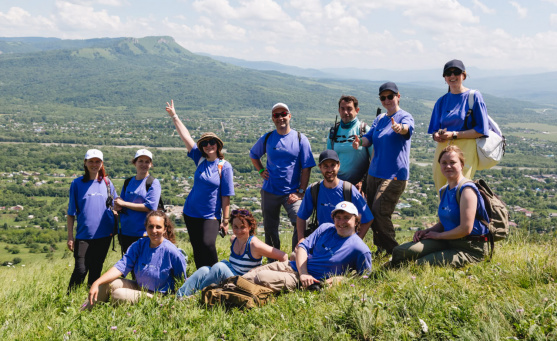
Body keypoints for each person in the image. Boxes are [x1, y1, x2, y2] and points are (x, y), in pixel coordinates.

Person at [390, 145, 490, 267]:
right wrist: (426, 232)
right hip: (448, 240)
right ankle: (381, 273)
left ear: (462, 165)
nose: (448, 166)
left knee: (420, 265)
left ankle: (394, 273)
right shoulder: (444, 190)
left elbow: (465, 229)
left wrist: (438, 236)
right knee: (401, 251)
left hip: (469, 247)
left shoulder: (467, 190)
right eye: (444, 163)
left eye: (452, 162)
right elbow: (444, 224)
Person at [243, 201, 372, 292]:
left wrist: (342, 279)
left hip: (304, 280)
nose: (341, 222)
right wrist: (303, 272)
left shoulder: (360, 249)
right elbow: (302, 247)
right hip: (294, 266)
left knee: (260, 277)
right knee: (249, 274)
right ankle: (225, 289)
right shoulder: (326, 228)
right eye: (338, 217)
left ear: (356, 220)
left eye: (346, 218)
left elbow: (364, 278)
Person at [165, 100, 234, 269]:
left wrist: (225, 220)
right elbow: (185, 136)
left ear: (218, 145)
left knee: (208, 245)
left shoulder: (224, 166)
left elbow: (226, 196)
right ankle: (202, 279)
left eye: (211, 142)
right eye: (204, 143)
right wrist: (174, 116)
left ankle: (216, 277)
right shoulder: (200, 159)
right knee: (197, 248)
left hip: (210, 215)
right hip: (191, 212)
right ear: (201, 147)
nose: (208, 145)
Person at [352, 82, 414, 255]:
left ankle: (396, 252)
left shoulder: (405, 116)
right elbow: (369, 139)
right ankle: (381, 249)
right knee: (371, 213)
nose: (387, 100)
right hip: (374, 173)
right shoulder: (380, 119)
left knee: (380, 211)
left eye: (390, 96)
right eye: (383, 97)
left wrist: (399, 128)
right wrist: (359, 143)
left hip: (394, 175)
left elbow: (407, 129)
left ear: (398, 96)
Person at [83, 211, 187, 308]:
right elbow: (121, 267)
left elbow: (182, 280)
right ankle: (84, 312)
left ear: (164, 229)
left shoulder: (172, 251)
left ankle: (108, 316)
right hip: (139, 287)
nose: (154, 231)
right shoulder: (139, 245)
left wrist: (173, 301)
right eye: (150, 226)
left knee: (118, 294)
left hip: (158, 296)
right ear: (146, 227)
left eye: (158, 227)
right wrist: (96, 282)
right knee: (106, 283)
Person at [249, 102, 316, 252]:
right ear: (273, 119)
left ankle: (295, 254)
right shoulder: (267, 138)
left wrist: (301, 192)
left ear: (289, 116)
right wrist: (260, 171)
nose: (280, 118)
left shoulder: (300, 139)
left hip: (291, 192)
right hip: (270, 190)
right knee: (270, 227)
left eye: (283, 114)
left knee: (301, 220)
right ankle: (273, 257)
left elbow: (307, 168)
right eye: (276, 115)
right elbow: (254, 154)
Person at [176, 209, 287, 297]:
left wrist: (275, 275)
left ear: (250, 226)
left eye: (242, 227)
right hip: (231, 275)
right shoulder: (234, 239)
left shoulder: (254, 244)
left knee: (219, 267)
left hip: (244, 282)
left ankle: (199, 295)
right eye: (235, 227)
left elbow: (283, 256)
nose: (238, 231)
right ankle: (180, 296)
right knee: (204, 269)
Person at [428, 59, 490, 191]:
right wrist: (436, 136)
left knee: (460, 189)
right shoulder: (442, 101)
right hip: (443, 151)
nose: (452, 76)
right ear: (444, 78)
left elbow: (481, 130)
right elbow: (433, 130)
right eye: (448, 73)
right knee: (442, 191)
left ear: (464, 75)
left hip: (465, 151)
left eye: (456, 72)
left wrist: (454, 135)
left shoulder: (474, 97)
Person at [296, 149, 373, 243]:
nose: (329, 170)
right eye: (325, 166)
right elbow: (301, 216)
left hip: (344, 241)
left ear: (338, 166)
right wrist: (301, 239)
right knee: (295, 255)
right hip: (321, 240)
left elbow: (368, 218)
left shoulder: (348, 190)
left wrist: (356, 241)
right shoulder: (314, 190)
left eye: (333, 165)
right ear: (320, 167)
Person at [67, 149, 117, 292]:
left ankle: (91, 300)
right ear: (85, 163)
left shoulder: (107, 183)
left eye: (97, 162)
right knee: (81, 269)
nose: (94, 164)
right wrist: (70, 237)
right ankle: (69, 298)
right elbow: (71, 213)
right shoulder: (76, 184)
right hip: (84, 235)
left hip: (104, 234)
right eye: (91, 161)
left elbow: (116, 205)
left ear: (101, 164)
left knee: (96, 269)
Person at [114, 149, 161, 255]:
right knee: (130, 264)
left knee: (142, 266)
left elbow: (150, 206)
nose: (143, 164)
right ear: (135, 163)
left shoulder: (153, 183)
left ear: (151, 164)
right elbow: (121, 202)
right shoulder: (128, 182)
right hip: (126, 231)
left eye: (147, 162)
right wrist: (117, 205)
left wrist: (124, 204)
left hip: (144, 232)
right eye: (140, 161)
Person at [326, 95, 371, 190]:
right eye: (342, 109)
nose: (345, 112)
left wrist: (364, 182)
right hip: (337, 185)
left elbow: (374, 159)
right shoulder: (333, 132)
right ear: (339, 110)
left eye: (349, 109)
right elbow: (328, 160)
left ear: (357, 110)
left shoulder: (364, 130)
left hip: (360, 187)